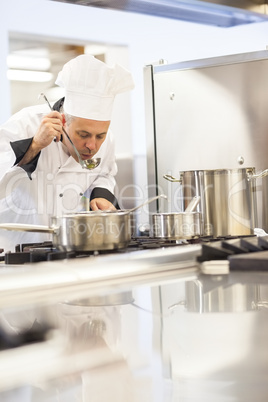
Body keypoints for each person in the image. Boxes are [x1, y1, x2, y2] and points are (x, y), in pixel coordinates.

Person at [0, 54, 135, 252]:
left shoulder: (107, 139)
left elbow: (104, 175)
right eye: (83, 134)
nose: (92, 145)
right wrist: (34, 146)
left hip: (68, 247)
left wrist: (101, 195)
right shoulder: (24, 124)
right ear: (63, 122)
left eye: (100, 136)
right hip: (14, 249)